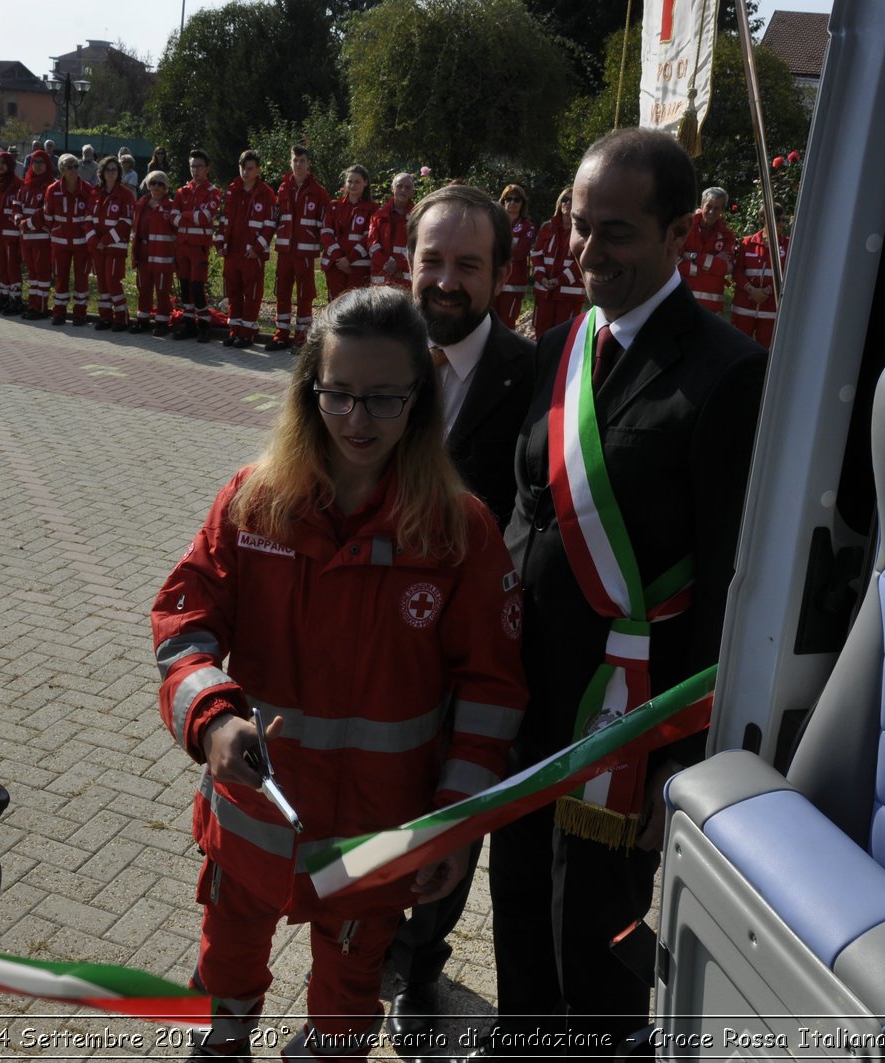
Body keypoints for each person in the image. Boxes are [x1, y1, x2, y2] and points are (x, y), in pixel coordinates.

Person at [151, 285, 528, 1060]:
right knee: (222, 974)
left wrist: (453, 822)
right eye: (341, 395)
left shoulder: (458, 529)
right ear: (309, 389)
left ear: (420, 400)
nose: (358, 420)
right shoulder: (255, 502)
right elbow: (182, 621)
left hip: (376, 835)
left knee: (347, 1007)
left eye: (386, 399)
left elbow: (491, 690)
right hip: (254, 816)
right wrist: (214, 717)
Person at [481, 128, 766, 1059]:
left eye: (616, 233)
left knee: (595, 929)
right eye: (575, 226)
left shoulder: (726, 373)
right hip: (532, 695)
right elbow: (527, 516)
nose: (586, 252)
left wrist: (683, 754)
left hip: (632, 714)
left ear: (679, 232)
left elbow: (731, 577)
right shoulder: (561, 345)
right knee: (519, 895)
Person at [382, 183, 536, 1046]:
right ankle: (369, 947)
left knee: (455, 810)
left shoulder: (536, 371)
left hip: (474, 646)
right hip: (371, 637)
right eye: (432, 261)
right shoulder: (370, 348)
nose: (445, 282)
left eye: (466, 266)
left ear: (499, 275)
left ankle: (418, 962)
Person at [266, 144, 332, 351]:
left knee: (305, 295)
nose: (298, 164)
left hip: (304, 253)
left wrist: (326, 249)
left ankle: (301, 338)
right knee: (282, 293)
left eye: (302, 161)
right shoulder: (284, 188)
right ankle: (281, 335)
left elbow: (326, 223)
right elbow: (277, 217)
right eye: (295, 160)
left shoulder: (318, 192)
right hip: (285, 251)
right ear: (290, 162)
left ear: (308, 164)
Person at [216, 149, 276, 349]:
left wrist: (258, 248)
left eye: (250, 168)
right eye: (243, 168)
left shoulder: (266, 193)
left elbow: (269, 225)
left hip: (252, 254)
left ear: (258, 170)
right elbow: (224, 219)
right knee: (233, 293)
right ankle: (235, 331)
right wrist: (220, 243)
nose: (246, 172)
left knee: (252, 294)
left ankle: (247, 334)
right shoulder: (233, 189)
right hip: (232, 251)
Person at [171, 149, 222, 341]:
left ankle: (204, 324)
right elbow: (172, 219)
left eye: (199, 166)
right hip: (182, 247)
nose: (195, 170)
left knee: (196, 287)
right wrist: (190, 217)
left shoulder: (213, 192)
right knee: (184, 287)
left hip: (199, 247)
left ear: (207, 168)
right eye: (192, 166)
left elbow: (205, 217)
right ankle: (189, 323)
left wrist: (184, 216)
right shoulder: (181, 192)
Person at [45, 152, 95, 326]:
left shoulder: (88, 189)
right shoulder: (53, 190)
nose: (73, 170)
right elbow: (48, 216)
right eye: (69, 167)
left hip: (81, 241)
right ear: (62, 170)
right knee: (60, 276)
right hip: (60, 242)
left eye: (76, 166)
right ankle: (59, 312)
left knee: (81, 277)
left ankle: (80, 313)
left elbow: (92, 214)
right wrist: (57, 231)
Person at [731, 204, 790, 348]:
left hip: (770, 310)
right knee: (739, 348)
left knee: (765, 351)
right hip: (744, 307)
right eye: (778, 220)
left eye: (784, 220)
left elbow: (788, 274)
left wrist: (768, 290)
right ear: (765, 219)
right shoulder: (747, 242)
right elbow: (737, 272)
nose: (782, 224)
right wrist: (752, 290)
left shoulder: (788, 244)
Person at [90, 154, 136, 330]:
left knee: (112, 281)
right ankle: (105, 317)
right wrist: (94, 240)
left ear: (119, 172)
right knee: (102, 282)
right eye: (108, 170)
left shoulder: (125, 194)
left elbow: (126, 223)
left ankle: (121, 318)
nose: (111, 173)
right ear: (102, 172)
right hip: (97, 246)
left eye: (114, 170)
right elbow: (87, 218)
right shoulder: (95, 192)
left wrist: (106, 240)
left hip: (115, 246)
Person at [529, 186, 583, 336]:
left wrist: (560, 280)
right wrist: (542, 278)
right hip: (544, 292)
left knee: (564, 337)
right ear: (559, 203)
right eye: (565, 199)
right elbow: (536, 255)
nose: (568, 203)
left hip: (569, 295)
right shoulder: (547, 227)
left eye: (573, 200)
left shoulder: (584, 229)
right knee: (542, 333)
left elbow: (582, 260)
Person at [130, 170, 177, 335]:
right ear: (148, 185)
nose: (156, 187)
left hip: (162, 255)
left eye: (160, 184)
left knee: (162, 290)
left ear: (166, 188)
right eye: (153, 183)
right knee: (143, 287)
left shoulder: (171, 206)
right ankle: (143, 320)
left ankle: (162, 322)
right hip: (143, 252)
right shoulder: (141, 204)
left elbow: (176, 231)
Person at [321, 164, 376, 301]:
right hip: (335, 265)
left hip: (358, 266)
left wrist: (349, 260)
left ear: (366, 183)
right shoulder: (334, 206)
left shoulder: (372, 208)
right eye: (349, 181)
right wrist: (340, 259)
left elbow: (369, 237)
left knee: (356, 305)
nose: (353, 185)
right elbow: (326, 233)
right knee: (335, 303)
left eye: (357, 181)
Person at [679, 186, 735, 314]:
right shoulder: (685, 228)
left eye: (717, 208)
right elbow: (674, 263)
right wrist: (712, 264)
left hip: (711, 306)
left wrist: (692, 257)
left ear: (722, 210)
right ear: (702, 205)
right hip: (682, 299)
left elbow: (725, 268)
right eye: (708, 206)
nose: (711, 212)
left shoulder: (727, 235)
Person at [14, 149, 53, 318]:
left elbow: (46, 211)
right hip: (26, 237)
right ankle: (33, 305)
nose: (37, 166)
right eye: (35, 162)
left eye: (41, 162)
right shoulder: (26, 184)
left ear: (48, 165)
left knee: (42, 273)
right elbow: (17, 203)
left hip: (42, 238)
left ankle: (42, 308)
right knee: (32, 274)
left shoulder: (51, 186)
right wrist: (18, 219)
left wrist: (26, 224)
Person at [493, 185, 535, 330]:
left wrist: (496, 254)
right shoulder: (493, 223)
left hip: (514, 284)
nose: (512, 202)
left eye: (516, 199)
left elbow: (520, 253)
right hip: (492, 281)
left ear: (522, 203)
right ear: (503, 201)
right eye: (508, 198)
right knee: (486, 322)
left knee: (506, 324)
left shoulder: (527, 227)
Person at [367, 173, 415, 291]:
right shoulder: (378, 216)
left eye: (407, 187)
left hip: (405, 279)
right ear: (392, 188)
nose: (403, 190)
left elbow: (418, 246)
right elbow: (372, 244)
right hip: (381, 277)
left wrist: (398, 263)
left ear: (412, 191)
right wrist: (386, 263)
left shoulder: (418, 217)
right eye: (399, 186)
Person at [0, 151, 24, 314]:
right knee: (1, 264)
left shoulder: (17, 184)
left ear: (10, 165)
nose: (1, 166)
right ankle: (4, 294)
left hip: (12, 232)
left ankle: (15, 297)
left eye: (4, 163)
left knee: (12, 265)